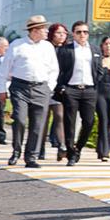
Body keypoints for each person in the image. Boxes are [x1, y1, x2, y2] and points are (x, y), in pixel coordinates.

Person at [0, 15, 61, 168]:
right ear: (35, 30)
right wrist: (2, 89)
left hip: (41, 88)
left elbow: (54, 70)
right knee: (20, 120)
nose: (46, 31)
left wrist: (49, 87)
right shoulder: (17, 45)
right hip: (20, 88)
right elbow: (4, 69)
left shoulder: (48, 47)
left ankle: (31, 157)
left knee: (38, 124)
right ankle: (16, 151)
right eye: (43, 28)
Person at [56, 22, 97, 166]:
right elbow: (58, 70)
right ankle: (70, 153)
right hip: (71, 89)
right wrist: (61, 87)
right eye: (79, 32)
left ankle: (78, 147)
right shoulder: (65, 50)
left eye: (85, 32)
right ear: (73, 34)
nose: (82, 35)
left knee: (89, 122)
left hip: (89, 90)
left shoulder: (94, 49)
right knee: (70, 122)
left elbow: (98, 69)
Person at [84, 35, 110, 162]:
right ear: (102, 46)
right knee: (103, 119)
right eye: (106, 44)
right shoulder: (97, 60)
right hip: (99, 92)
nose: (108, 46)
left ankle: (101, 148)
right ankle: (104, 151)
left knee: (109, 121)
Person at [44, 22, 70, 160]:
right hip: (44, 86)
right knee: (44, 118)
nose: (61, 35)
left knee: (59, 116)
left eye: (64, 33)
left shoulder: (67, 49)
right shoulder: (45, 48)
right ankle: (39, 148)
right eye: (58, 32)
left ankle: (62, 145)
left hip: (59, 88)